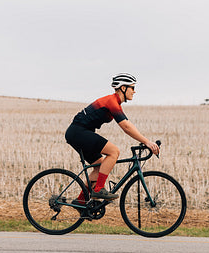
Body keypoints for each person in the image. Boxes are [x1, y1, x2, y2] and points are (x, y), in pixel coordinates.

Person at [65, 73, 160, 205]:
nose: (134, 91)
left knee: (99, 165)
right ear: (123, 88)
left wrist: (145, 141)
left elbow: (128, 124)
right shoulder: (112, 101)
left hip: (78, 132)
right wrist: (147, 142)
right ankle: (98, 189)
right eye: (132, 87)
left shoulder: (115, 103)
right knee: (114, 152)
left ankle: (81, 201)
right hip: (78, 132)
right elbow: (126, 127)